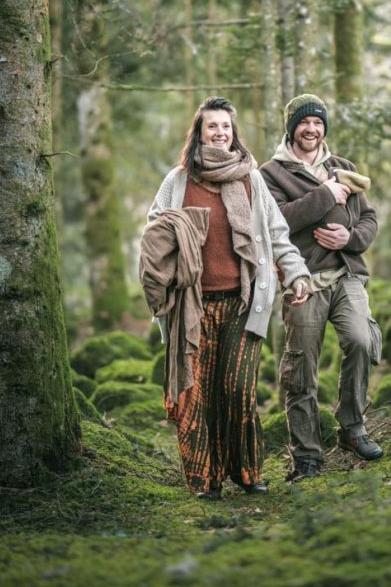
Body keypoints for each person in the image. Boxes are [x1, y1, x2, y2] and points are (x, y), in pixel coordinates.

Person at [139, 96, 311, 501]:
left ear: (234, 134)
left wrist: (297, 273)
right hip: (191, 304)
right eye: (211, 126)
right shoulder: (178, 180)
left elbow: (276, 233)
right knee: (196, 391)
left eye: (225, 127)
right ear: (198, 133)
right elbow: (153, 233)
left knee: (237, 390)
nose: (219, 132)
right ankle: (206, 479)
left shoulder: (251, 180)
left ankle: (247, 472)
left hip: (243, 302)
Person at [260, 93, 383, 483]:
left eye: (318, 123)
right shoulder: (271, 174)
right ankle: (307, 455)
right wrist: (325, 195)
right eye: (304, 123)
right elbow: (278, 220)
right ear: (291, 127)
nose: (311, 129)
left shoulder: (343, 167)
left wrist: (349, 237)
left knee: (362, 340)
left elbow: (369, 219)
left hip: (346, 274)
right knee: (302, 367)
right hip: (303, 281)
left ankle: (353, 428)